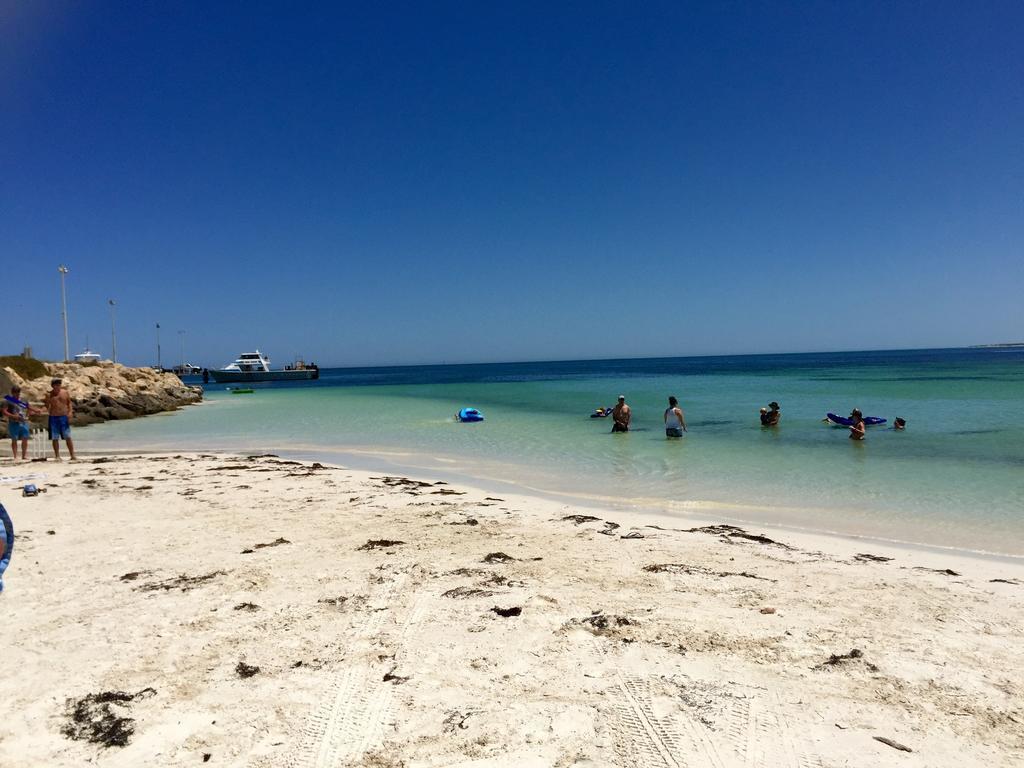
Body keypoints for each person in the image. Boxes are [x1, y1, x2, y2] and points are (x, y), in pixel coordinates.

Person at [43, 378, 76, 461]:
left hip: (63, 417)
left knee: (68, 436)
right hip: (53, 417)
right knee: (55, 437)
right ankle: (57, 456)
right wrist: (41, 410)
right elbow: (46, 406)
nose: (57, 387)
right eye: (55, 385)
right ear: (52, 386)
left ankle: (72, 455)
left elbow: (69, 403)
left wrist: (70, 412)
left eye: (59, 385)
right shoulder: (49, 395)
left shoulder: (65, 393)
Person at [3, 386, 38, 461]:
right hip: (13, 422)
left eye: (18, 392)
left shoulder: (23, 400)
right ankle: (15, 456)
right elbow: (4, 411)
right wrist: (13, 416)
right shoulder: (8, 400)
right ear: (12, 393)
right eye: (15, 392)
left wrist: (33, 412)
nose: (17, 394)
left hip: (23, 421)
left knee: (25, 438)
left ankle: (24, 455)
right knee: (14, 439)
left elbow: (28, 407)